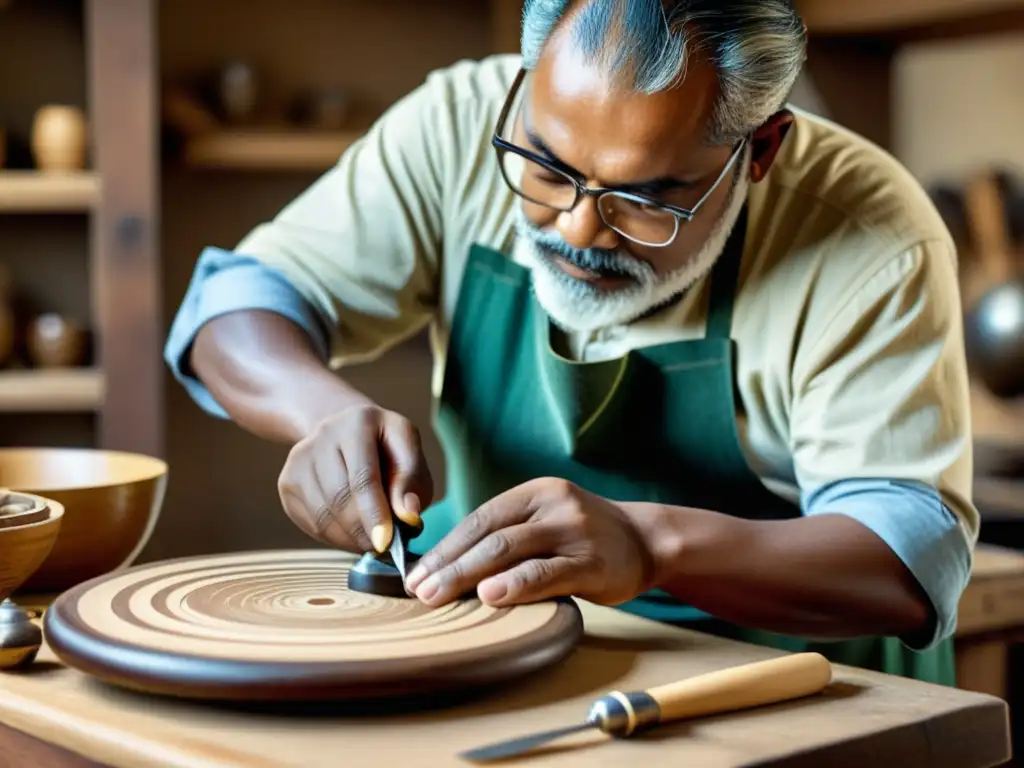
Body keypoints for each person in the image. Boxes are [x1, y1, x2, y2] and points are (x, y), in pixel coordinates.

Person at [165, 0, 978, 686]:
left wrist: (651, 545)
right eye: (548, 167)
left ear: (758, 150)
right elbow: (235, 304)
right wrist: (322, 411)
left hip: (793, 688)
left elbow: (908, 556)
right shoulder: (457, 125)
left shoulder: (869, 233)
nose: (578, 226)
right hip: (513, 654)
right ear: (523, 84)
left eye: (645, 196)